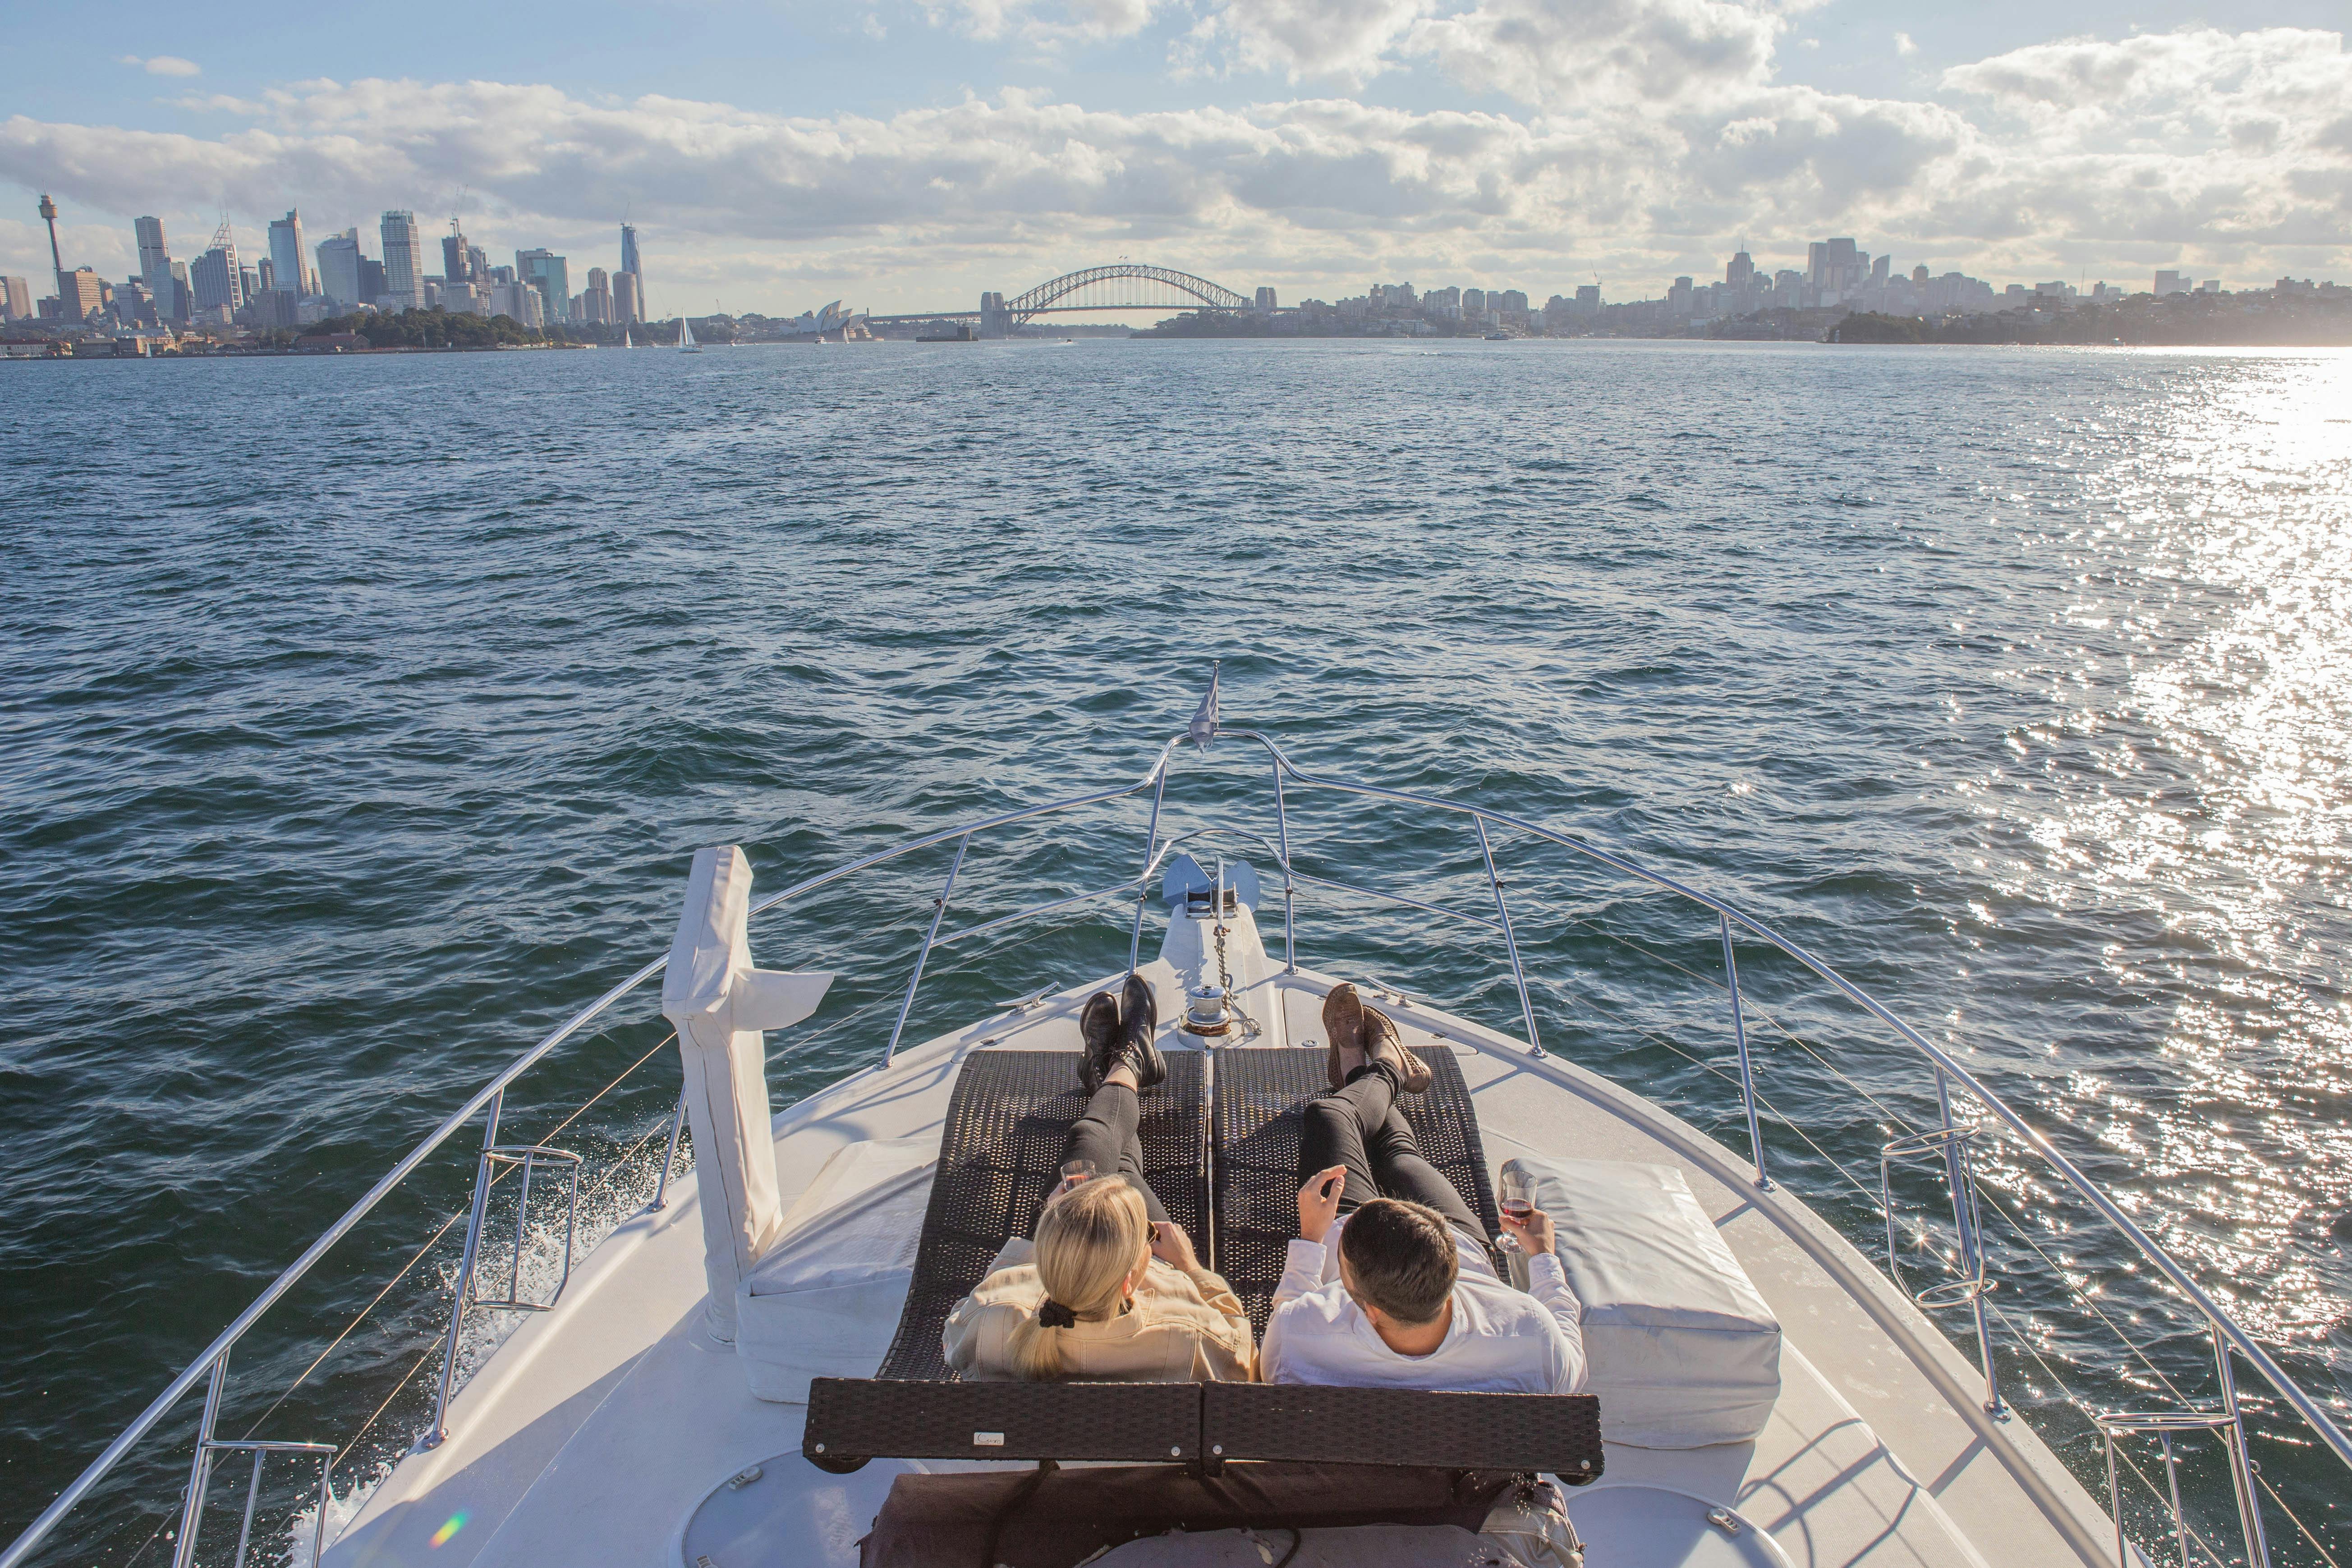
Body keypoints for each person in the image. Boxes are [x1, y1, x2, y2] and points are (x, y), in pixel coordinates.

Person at [1259, 982, 1585, 1393]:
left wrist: (1311, 1240)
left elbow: (1281, 1326)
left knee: (1339, 1122)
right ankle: (1378, 1071)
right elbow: (1573, 1364)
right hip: (1439, 1244)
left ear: (1372, 1310)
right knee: (1398, 1156)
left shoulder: (1301, 1338)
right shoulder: (1527, 1330)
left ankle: (1372, 1074)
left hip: (1412, 1244)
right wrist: (1544, 1257)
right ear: (1451, 1278)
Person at [941, 974, 1255, 1382]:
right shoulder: (1191, 1337)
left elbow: (953, 1337)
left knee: (1094, 1146)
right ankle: (1127, 1064)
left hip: (1080, 1273)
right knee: (1112, 1162)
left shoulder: (990, 1324)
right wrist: (1190, 1265)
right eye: (1144, 1239)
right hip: (1106, 1277)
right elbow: (1245, 1355)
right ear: (1130, 1283)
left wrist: (1056, 1235)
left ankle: (1117, 1070)